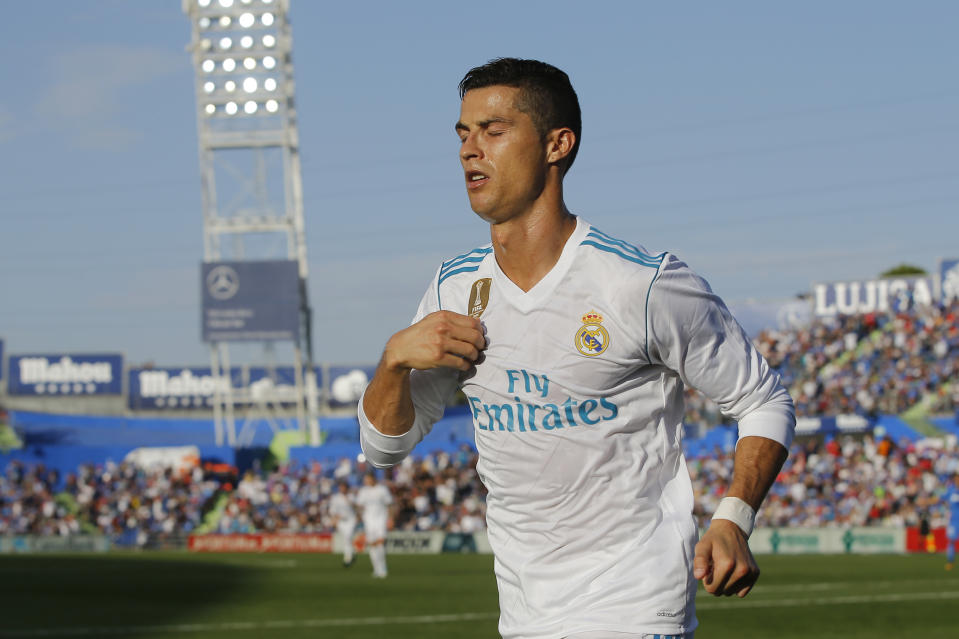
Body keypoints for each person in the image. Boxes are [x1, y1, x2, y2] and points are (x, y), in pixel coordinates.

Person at [358, 58, 795, 638]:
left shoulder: (640, 283)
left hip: (635, 604)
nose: (470, 150)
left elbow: (763, 399)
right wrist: (392, 361)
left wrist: (734, 518)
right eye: (463, 134)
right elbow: (385, 449)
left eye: (493, 130)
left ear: (556, 144)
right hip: (524, 614)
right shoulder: (453, 290)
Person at [354, 472, 392, 578]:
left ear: (373, 479)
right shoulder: (363, 491)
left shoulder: (382, 490)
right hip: (368, 521)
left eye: (368, 479)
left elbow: (389, 504)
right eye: (365, 480)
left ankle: (383, 568)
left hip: (381, 520)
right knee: (372, 545)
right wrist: (358, 517)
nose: (366, 481)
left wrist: (390, 519)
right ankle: (376, 569)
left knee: (380, 542)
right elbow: (359, 505)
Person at [328, 480, 358, 567]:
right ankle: (351, 554)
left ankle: (348, 558)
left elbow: (355, 506)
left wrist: (348, 500)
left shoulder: (351, 496)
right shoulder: (336, 498)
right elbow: (332, 510)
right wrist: (335, 518)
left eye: (343, 487)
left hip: (351, 520)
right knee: (346, 539)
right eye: (340, 487)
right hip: (341, 521)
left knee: (348, 537)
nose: (342, 489)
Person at [945, 473, 959, 570]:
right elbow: (941, 498)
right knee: (951, 541)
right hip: (953, 521)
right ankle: (950, 561)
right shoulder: (951, 490)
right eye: (956, 479)